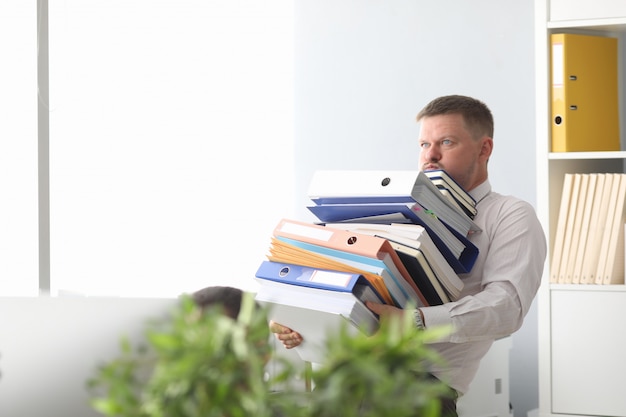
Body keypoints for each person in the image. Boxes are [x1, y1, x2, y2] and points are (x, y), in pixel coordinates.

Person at [270, 94, 547, 417]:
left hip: (415, 392)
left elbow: (506, 307)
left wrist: (412, 323)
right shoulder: (396, 209)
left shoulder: (509, 214)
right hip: (340, 381)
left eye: (446, 142)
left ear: (484, 149)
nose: (431, 155)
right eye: (423, 145)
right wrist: (304, 322)